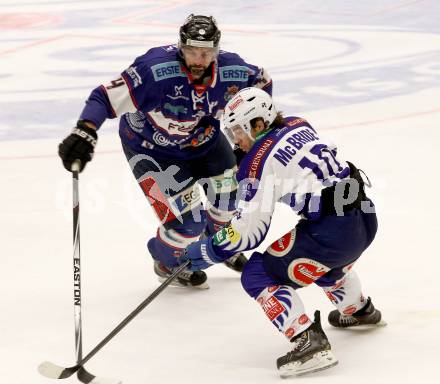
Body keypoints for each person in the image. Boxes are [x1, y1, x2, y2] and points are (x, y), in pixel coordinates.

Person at [180, 87, 384, 376]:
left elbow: (250, 233)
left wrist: (207, 250)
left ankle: (307, 341)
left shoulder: (256, 165)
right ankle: (358, 309)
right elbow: (286, 159)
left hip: (334, 233)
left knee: (257, 273)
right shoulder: (297, 123)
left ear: (259, 124)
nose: (235, 140)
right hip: (364, 216)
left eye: (238, 131)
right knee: (320, 262)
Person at [57, 14, 272, 288]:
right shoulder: (154, 71)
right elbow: (104, 96)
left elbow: (263, 83)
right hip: (150, 152)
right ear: (181, 48)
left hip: (205, 143)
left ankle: (217, 243)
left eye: (206, 53)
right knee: (187, 224)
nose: (198, 60)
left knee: (229, 200)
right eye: (192, 51)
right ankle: (165, 261)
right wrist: (84, 131)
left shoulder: (234, 71)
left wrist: (254, 137)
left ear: (216, 52)